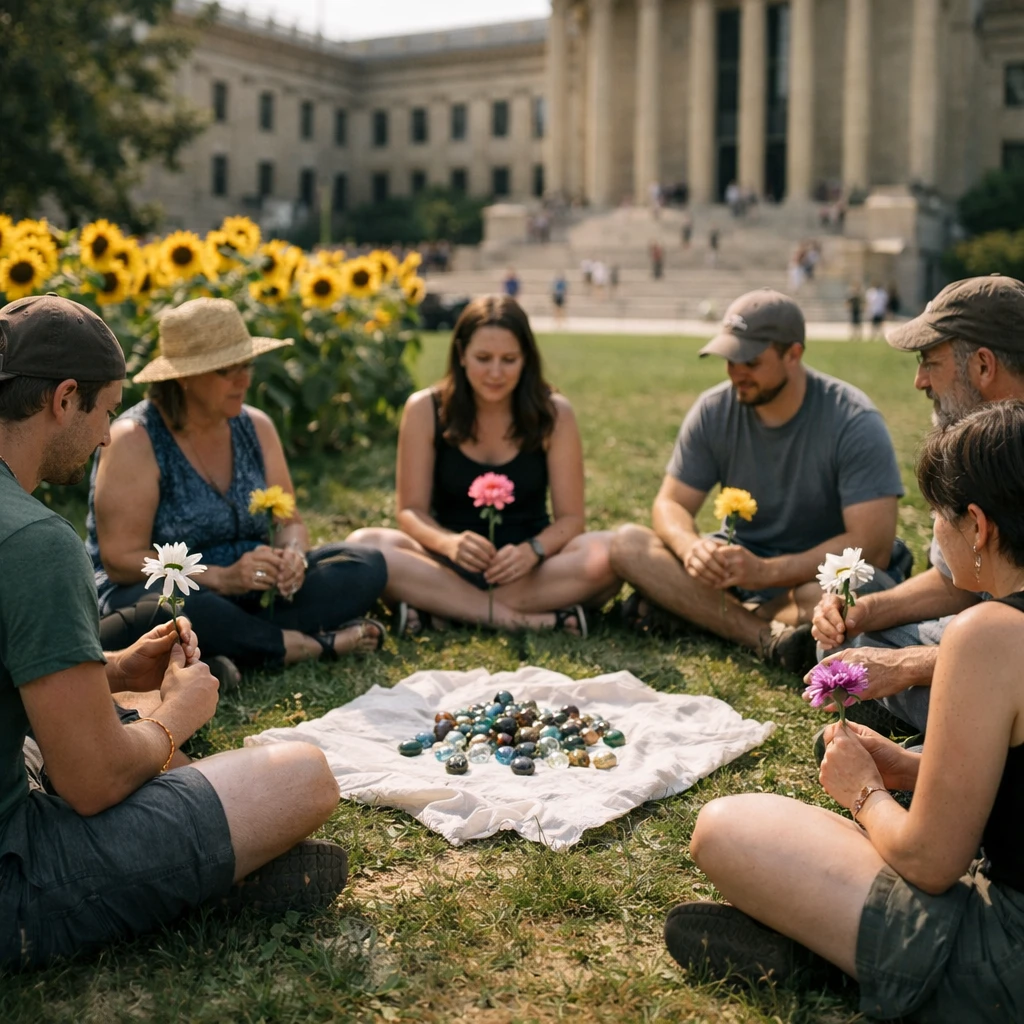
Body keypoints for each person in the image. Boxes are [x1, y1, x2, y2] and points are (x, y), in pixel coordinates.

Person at [0, 295, 347, 969]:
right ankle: (200, 877)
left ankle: (199, 860)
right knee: (302, 776)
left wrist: (112, 667)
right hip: (17, 873)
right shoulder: (37, 542)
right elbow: (92, 784)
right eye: (104, 411)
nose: (106, 436)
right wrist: (179, 716)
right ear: (64, 399)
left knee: (112, 709)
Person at [665, 401, 1024, 1023]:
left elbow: (930, 863)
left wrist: (862, 792)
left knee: (726, 828)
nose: (934, 532)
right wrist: (910, 768)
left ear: (977, 524)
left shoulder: (989, 634)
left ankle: (831, 958)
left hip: (1002, 965)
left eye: (936, 514)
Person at [609, 288, 906, 674]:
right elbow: (670, 503)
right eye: (728, 359)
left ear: (793, 354)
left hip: (813, 579)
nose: (736, 372)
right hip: (735, 577)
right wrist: (690, 548)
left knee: (850, 596)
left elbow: (873, 546)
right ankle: (765, 637)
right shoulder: (714, 408)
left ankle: (699, 614)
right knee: (627, 544)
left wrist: (766, 572)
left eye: (749, 360)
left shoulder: (853, 420)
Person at [88, 297, 388, 670]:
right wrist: (221, 578)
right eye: (225, 371)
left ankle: (227, 651)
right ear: (183, 376)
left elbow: (289, 522)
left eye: (246, 365)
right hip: (168, 589)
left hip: (255, 587)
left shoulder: (256, 426)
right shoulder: (135, 439)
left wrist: (292, 557)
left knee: (365, 563)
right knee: (182, 610)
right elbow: (121, 560)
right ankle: (308, 644)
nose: (243, 380)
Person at [811, 275, 1024, 736]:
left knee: (975, 689)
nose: (918, 381)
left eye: (931, 362)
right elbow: (959, 581)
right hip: (979, 639)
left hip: (1008, 657)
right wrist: (866, 614)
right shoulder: (973, 446)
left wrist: (908, 665)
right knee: (847, 639)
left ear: (983, 366)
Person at [347, 296, 621, 636]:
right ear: (461, 355)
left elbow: (571, 520)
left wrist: (532, 551)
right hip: (445, 563)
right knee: (364, 544)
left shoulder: (555, 413)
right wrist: (449, 544)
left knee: (610, 551)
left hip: (530, 570)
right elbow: (410, 511)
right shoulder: (424, 409)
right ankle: (522, 620)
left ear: (526, 359)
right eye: (483, 358)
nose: (495, 372)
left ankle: (441, 609)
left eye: (509, 360)